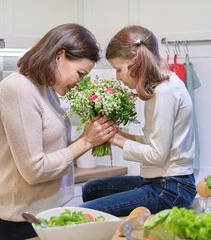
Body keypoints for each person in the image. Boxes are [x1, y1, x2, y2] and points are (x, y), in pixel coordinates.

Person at [0, 23, 117, 240]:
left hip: (48, 218)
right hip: (21, 223)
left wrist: (90, 137)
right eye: (80, 73)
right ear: (60, 56)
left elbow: (53, 151)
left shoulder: (46, 89)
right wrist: (85, 142)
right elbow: (35, 170)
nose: (79, 83)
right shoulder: (18, 89)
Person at [80, 25, 197, 217]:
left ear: (136, 63)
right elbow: (156, 143)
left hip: (171, 188)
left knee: (81, 213)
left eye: (118, 69)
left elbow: (157, 155)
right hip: (160, 181)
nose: (117, 77)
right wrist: (118, 134)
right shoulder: (161, 87)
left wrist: (116, 140)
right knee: (91, 189)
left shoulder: (165, 92)